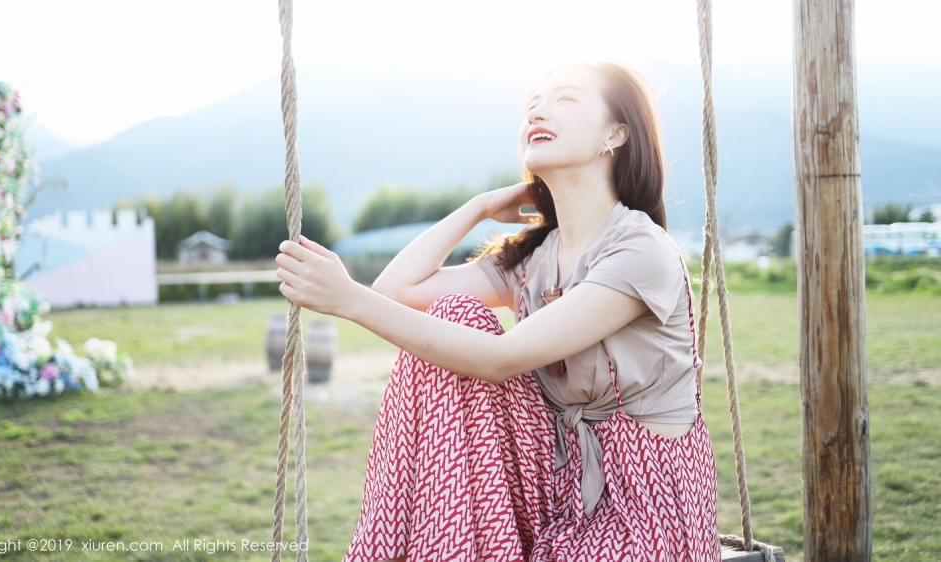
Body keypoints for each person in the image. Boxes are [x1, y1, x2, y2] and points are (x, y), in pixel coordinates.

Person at [274, 61, 721, 562]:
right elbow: (397, 289)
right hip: (554, 480)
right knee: (456, 313)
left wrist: (350, 301)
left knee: (467, 334)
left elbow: (499, 358)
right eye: (534, 103)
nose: (539, 111)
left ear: (615, 134)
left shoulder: (641, 249)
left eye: (566, 99)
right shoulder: (534, 257)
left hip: (644, 502)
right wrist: (480, 207)